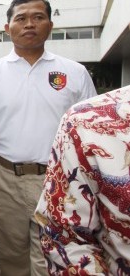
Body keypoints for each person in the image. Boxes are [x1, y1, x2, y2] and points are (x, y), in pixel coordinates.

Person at [0, 0, 97, 275]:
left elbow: (90, 131)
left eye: (38, 17)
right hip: (5, 182)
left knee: (53, 259)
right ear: (7, 27)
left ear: (50, 25)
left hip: (59, 183)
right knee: (11, 260)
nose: (29, 24)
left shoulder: (75, 73)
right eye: (21, 18)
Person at [35, 85, 130, 274]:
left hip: (63, 170)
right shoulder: (84, 121)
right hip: (22, 175)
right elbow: (66, 238)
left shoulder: (76, 74)